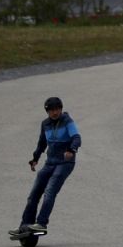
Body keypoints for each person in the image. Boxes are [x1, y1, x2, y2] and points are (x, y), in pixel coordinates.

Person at [10, 96, 80, 236]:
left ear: (61, 109)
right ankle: (25, 225)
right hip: (50, 163)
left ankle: (41, 223)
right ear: (47, 111)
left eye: (57, 109)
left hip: (65, 163)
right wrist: (35, 158)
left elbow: (76, 137)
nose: (55, 112)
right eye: (52, 110)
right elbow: (42, 143)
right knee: (33, 195)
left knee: (49, 192)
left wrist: (71, 150)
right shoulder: (45, 124)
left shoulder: (67, 121)